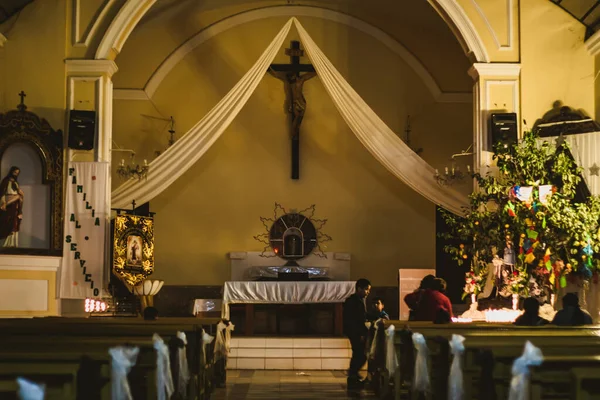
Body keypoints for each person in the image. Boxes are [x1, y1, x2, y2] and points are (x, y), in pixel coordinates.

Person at [268, 68, 317, 136]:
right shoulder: (288, 81)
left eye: (293, 76)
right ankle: (294, 133)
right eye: (290, 76)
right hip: (295, 103)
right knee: (297, 120)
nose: (292, 77)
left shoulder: (300, 80)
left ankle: (294, 133)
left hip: (299, 102)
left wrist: (317, 70)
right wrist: (269, 70)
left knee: (298, 119)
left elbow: (309, 75)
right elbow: (277, 75)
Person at [343, 278, 371, 390]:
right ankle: (352, 374)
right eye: (366, 289)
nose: (368, 292)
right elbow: (357, 319)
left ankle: (353, 373)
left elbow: (363, 316)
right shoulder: (354, 301)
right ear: (359, 288)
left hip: (355, 331)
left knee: (359, 353)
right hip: (355, 331)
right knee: (360, 353)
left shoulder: (357, 300)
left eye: (369, 290)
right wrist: (361, 333)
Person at [0, 166, 24, 247]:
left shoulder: (16, 183)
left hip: (15, 205)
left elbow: (18, 193)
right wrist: (3, 203)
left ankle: (13, 244)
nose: (16, 174)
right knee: (8, 221)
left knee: (15, 222)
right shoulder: (5, 181)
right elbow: (2, 193)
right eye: (15, 173)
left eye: (17, 173)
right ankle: (7, 244)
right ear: (11, 172)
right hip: (9, 204)